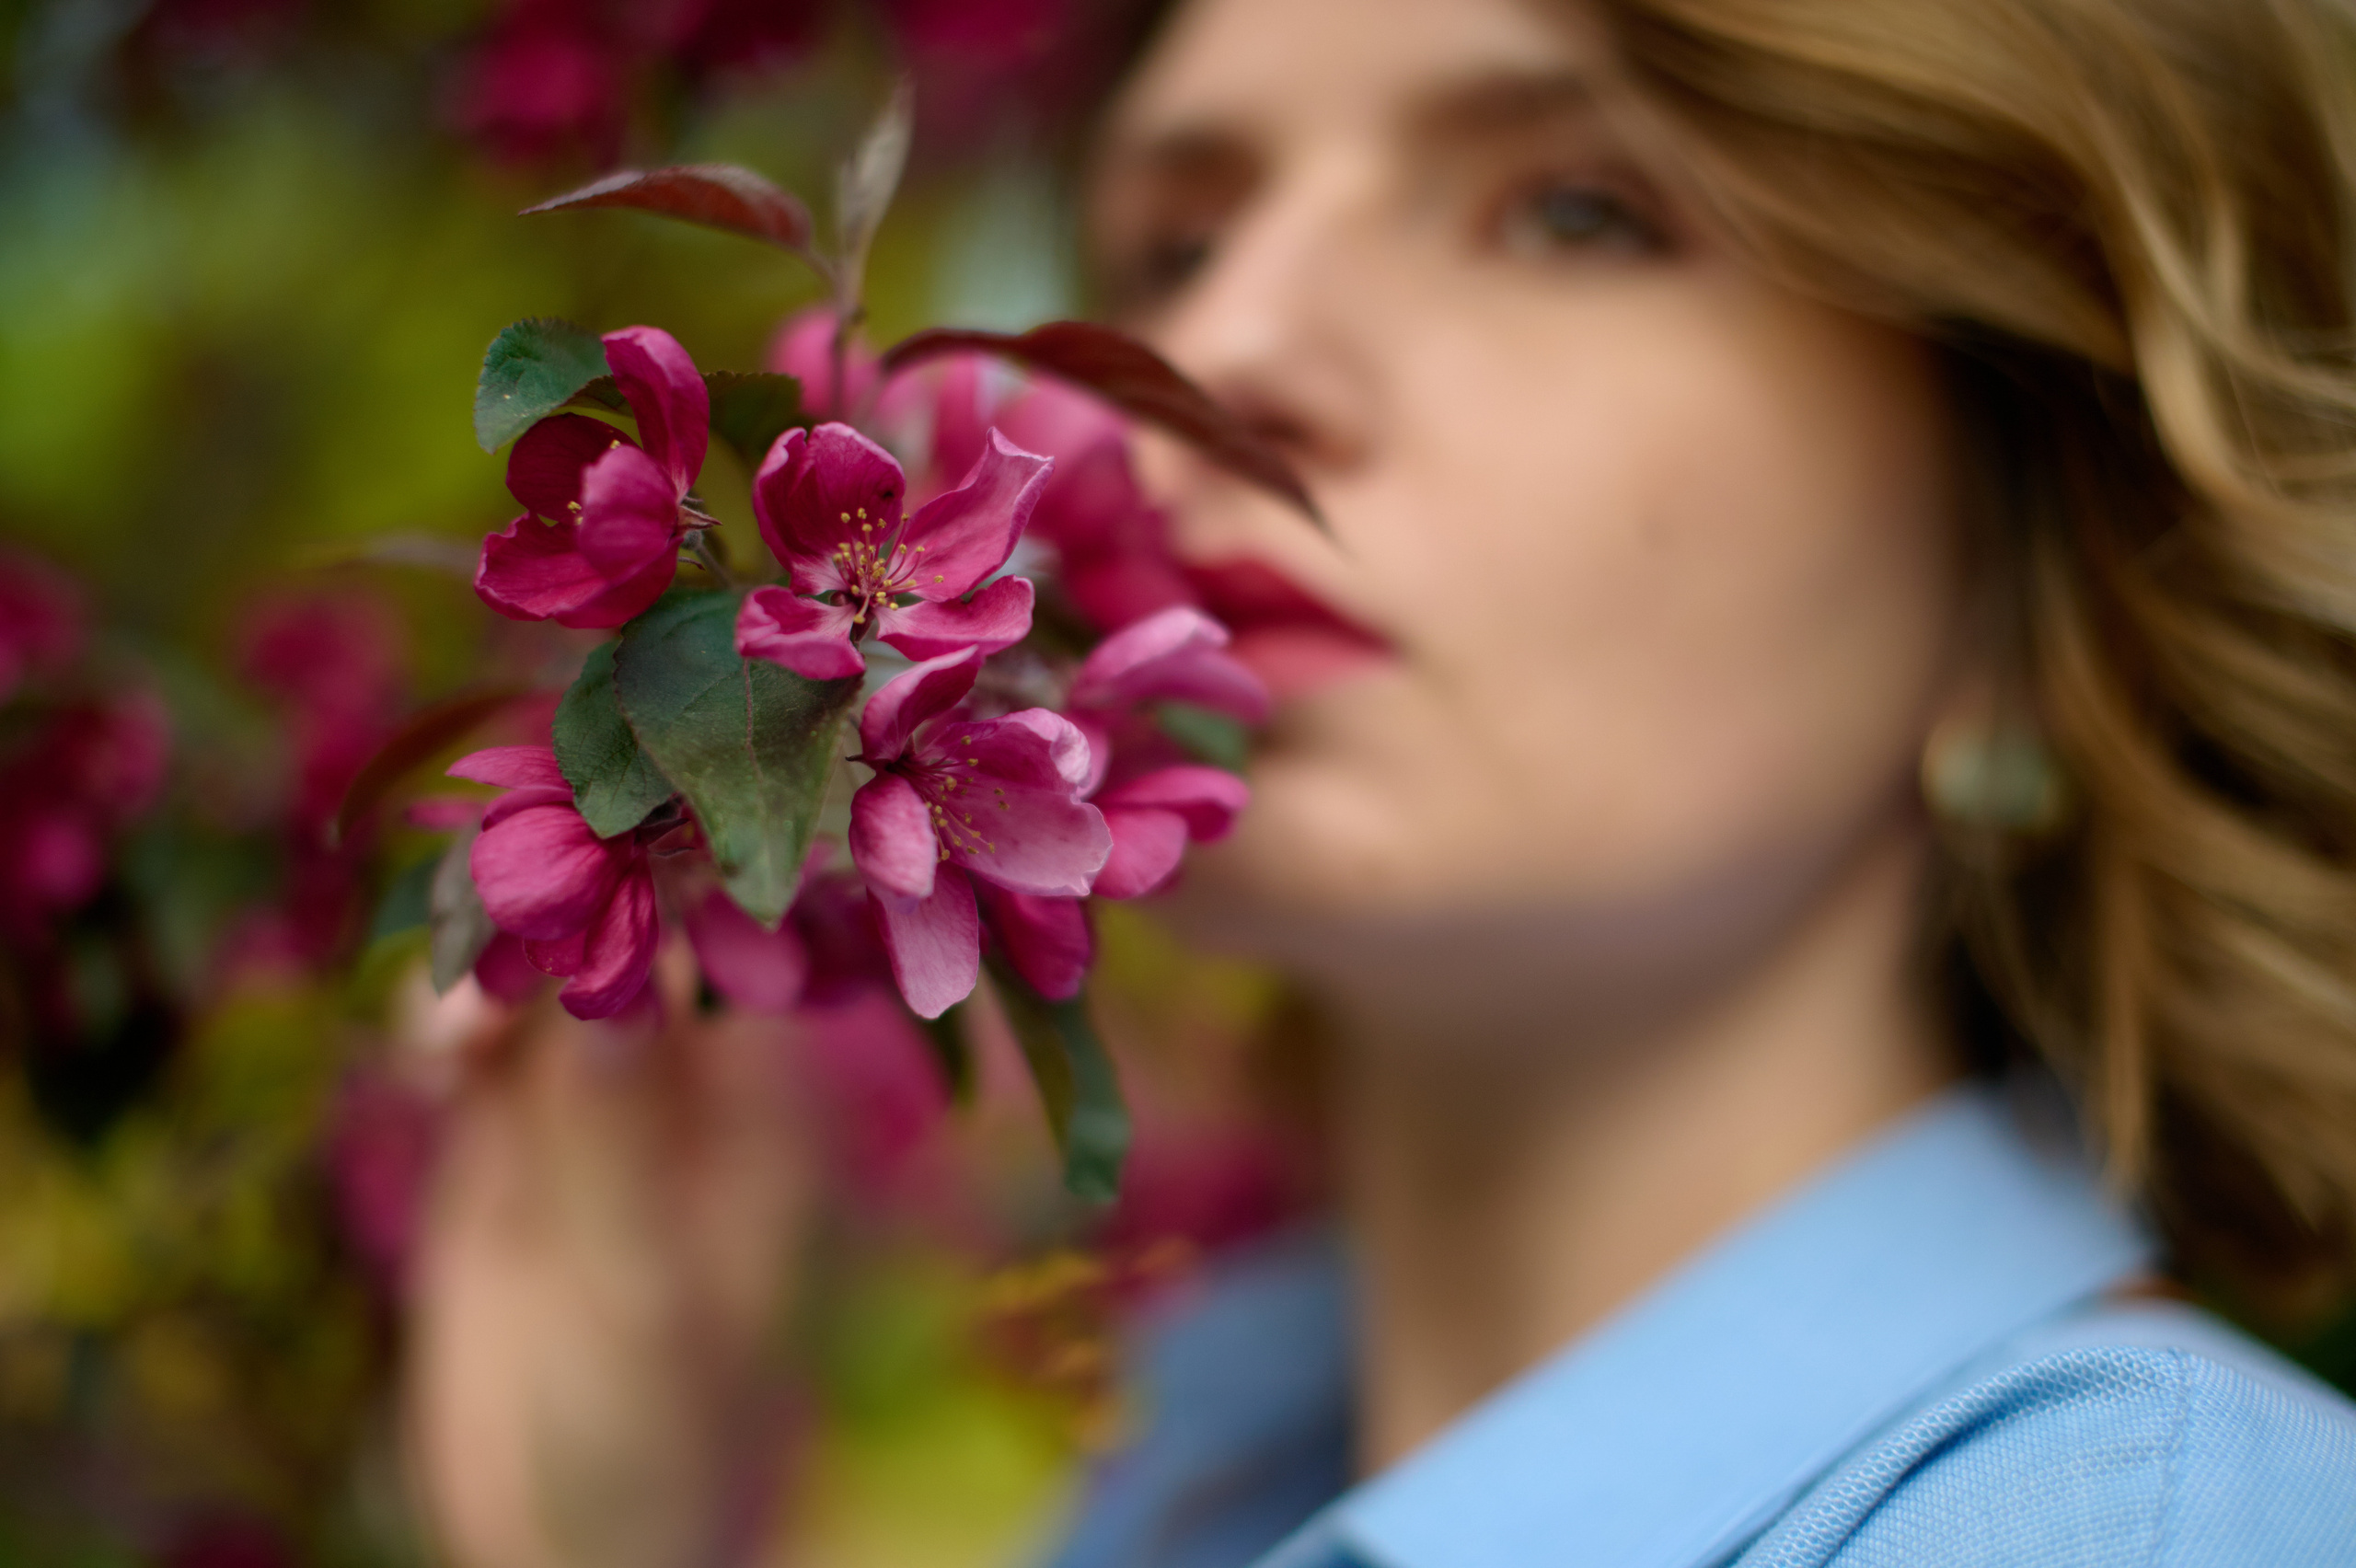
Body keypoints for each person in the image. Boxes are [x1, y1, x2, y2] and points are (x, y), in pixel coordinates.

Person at [404, 0, 2356, 1563]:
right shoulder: (1179, 1495)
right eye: (1175, 242)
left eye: (1572, 211)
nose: (1228, 349)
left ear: (2026, 559)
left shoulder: (2137, 1526)